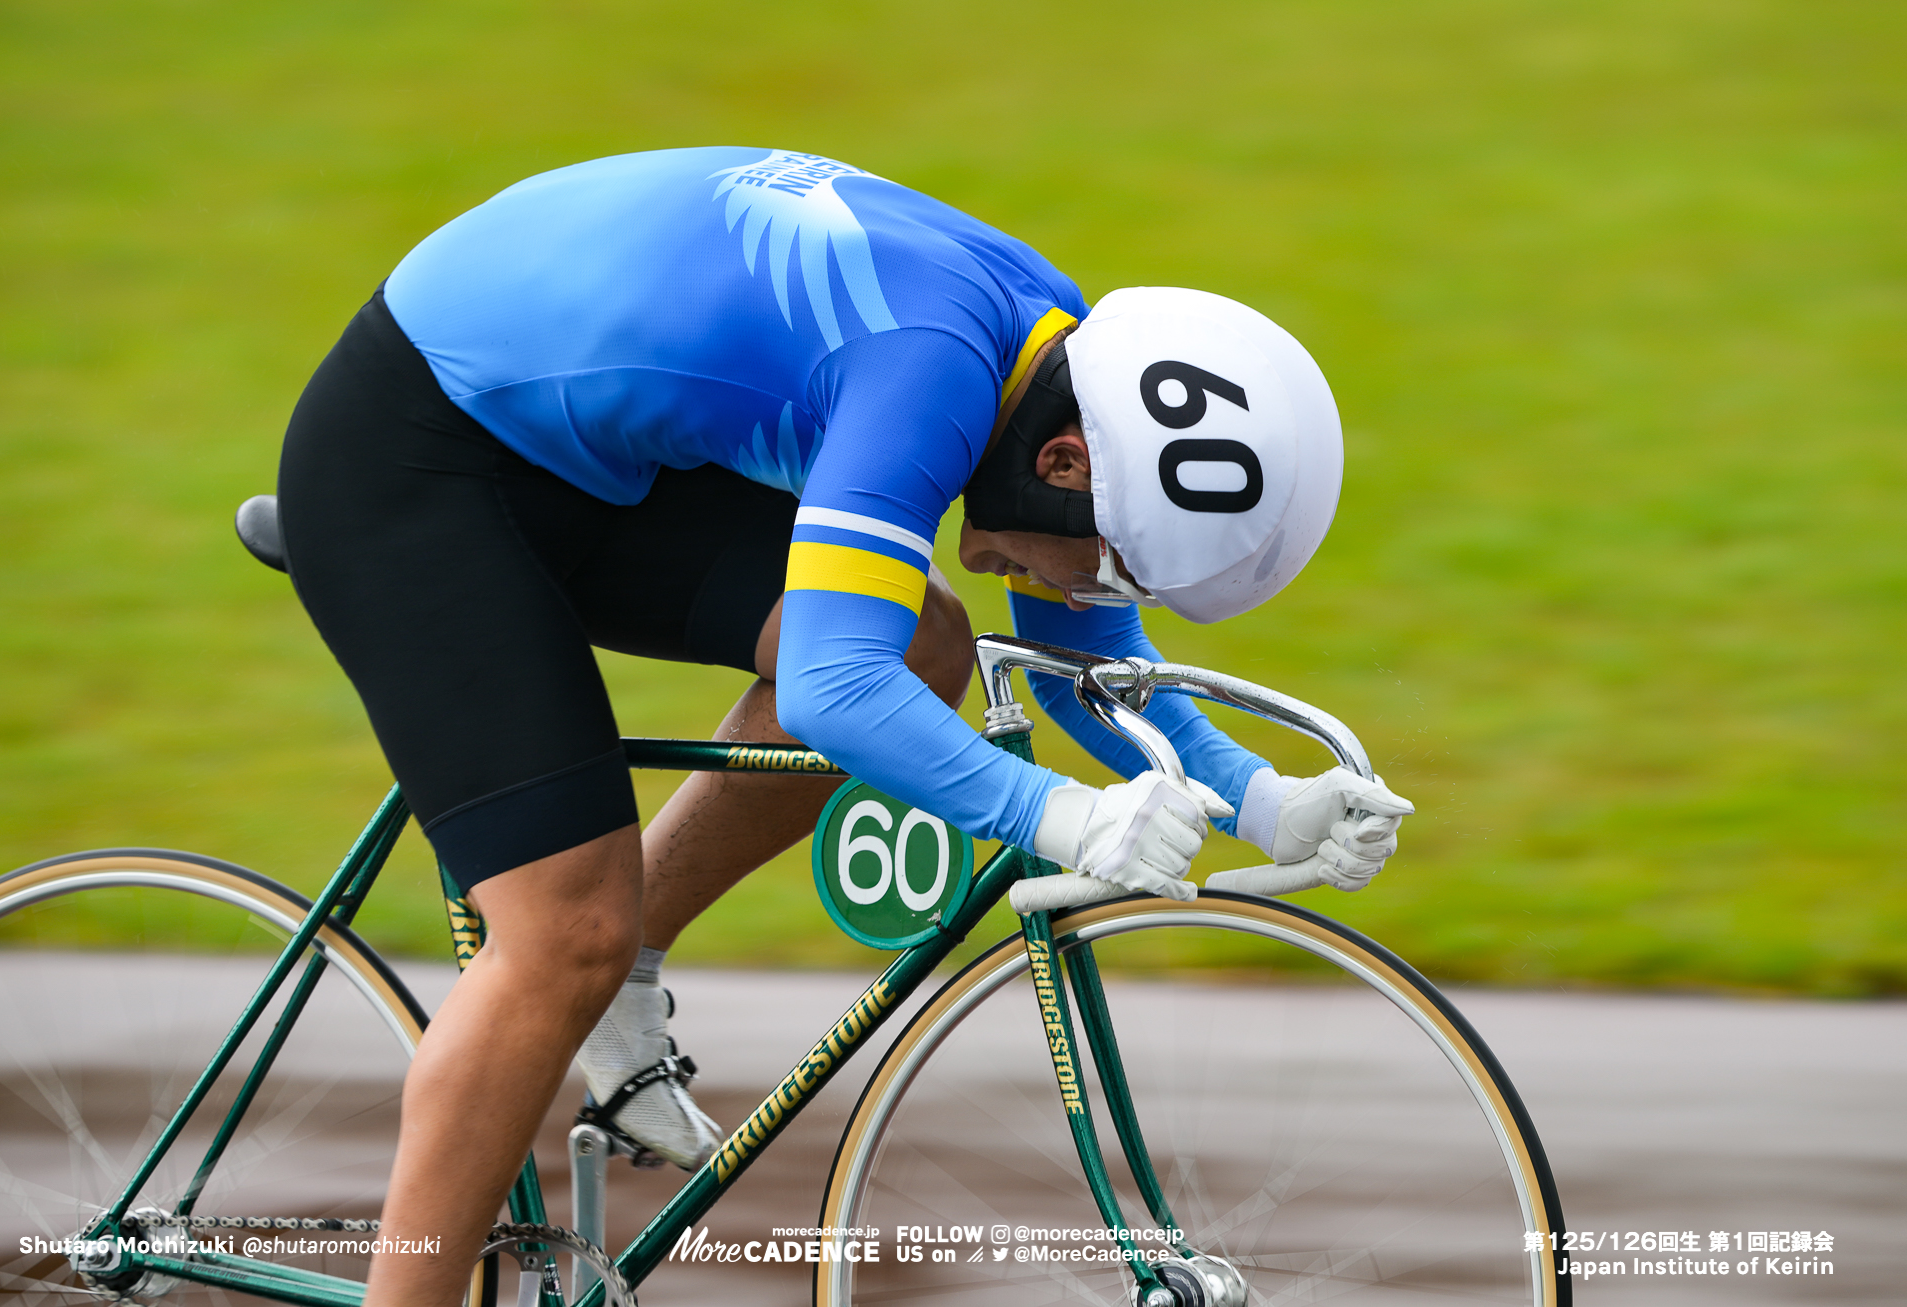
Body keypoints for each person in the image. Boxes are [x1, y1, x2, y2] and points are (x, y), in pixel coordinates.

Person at [275, 145, 1411, 1306]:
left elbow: (1074, 663)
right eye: (1109, 570)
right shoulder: (932, 371)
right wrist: (1059, 814)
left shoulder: (1063, 367)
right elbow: (830, 686)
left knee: (929, 642)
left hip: (579, 444)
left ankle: (617, 981)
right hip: (421, 452)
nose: (1091, 599)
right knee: (562, 928)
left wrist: (1260, 799)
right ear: (1064, 463)